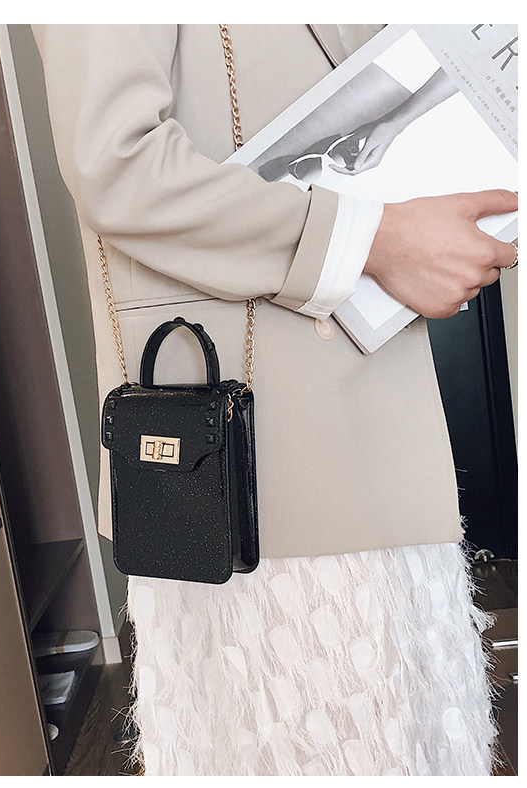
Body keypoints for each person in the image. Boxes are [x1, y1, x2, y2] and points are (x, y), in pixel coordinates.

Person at [32, 24, 517, 776]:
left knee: (411, 733)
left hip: (368, 410)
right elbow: (116, 163)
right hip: (263, 450)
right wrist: (370, 239)